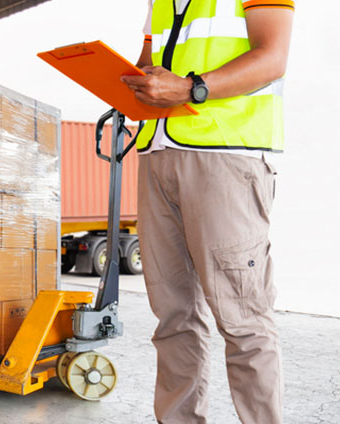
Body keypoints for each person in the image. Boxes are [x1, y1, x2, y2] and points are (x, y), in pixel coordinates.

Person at [121, 1, 294, 423]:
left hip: (225, 156)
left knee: (243, 317)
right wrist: (133, 82)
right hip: (158, 154)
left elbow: (272, 57)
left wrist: (190, 88)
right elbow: (149, 62)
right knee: (174, 317)